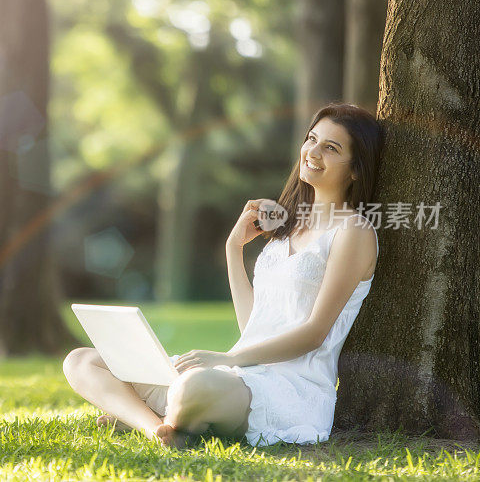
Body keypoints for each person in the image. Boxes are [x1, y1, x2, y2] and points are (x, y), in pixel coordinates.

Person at [62, 102, 385, 448]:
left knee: (194, 386)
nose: (313, 151)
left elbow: (314, 334)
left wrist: (226, 358)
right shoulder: (286, 227)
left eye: (331, 148)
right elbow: (254, 328)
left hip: (290, 387)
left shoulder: (354, 232)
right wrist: (234, 249)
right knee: (81, 360)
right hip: (239, 373)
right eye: (312, 139)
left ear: (355, 170)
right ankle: (155, 427)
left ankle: (148, 411)